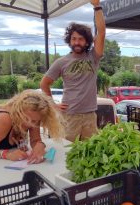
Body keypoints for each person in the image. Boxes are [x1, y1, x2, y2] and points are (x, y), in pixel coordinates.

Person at [40, 0, 105, 142]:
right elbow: (44, 84)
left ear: (87, 42)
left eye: (81, 39)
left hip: (90, 116)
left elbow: (101, 33)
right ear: (69, 41)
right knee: (67, 152)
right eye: (73, 39)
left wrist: (97, 6)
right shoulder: (61, 62)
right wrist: (52, 104)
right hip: (69, 116)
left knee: (90, 152)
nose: (76, 42)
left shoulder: (93, 57)